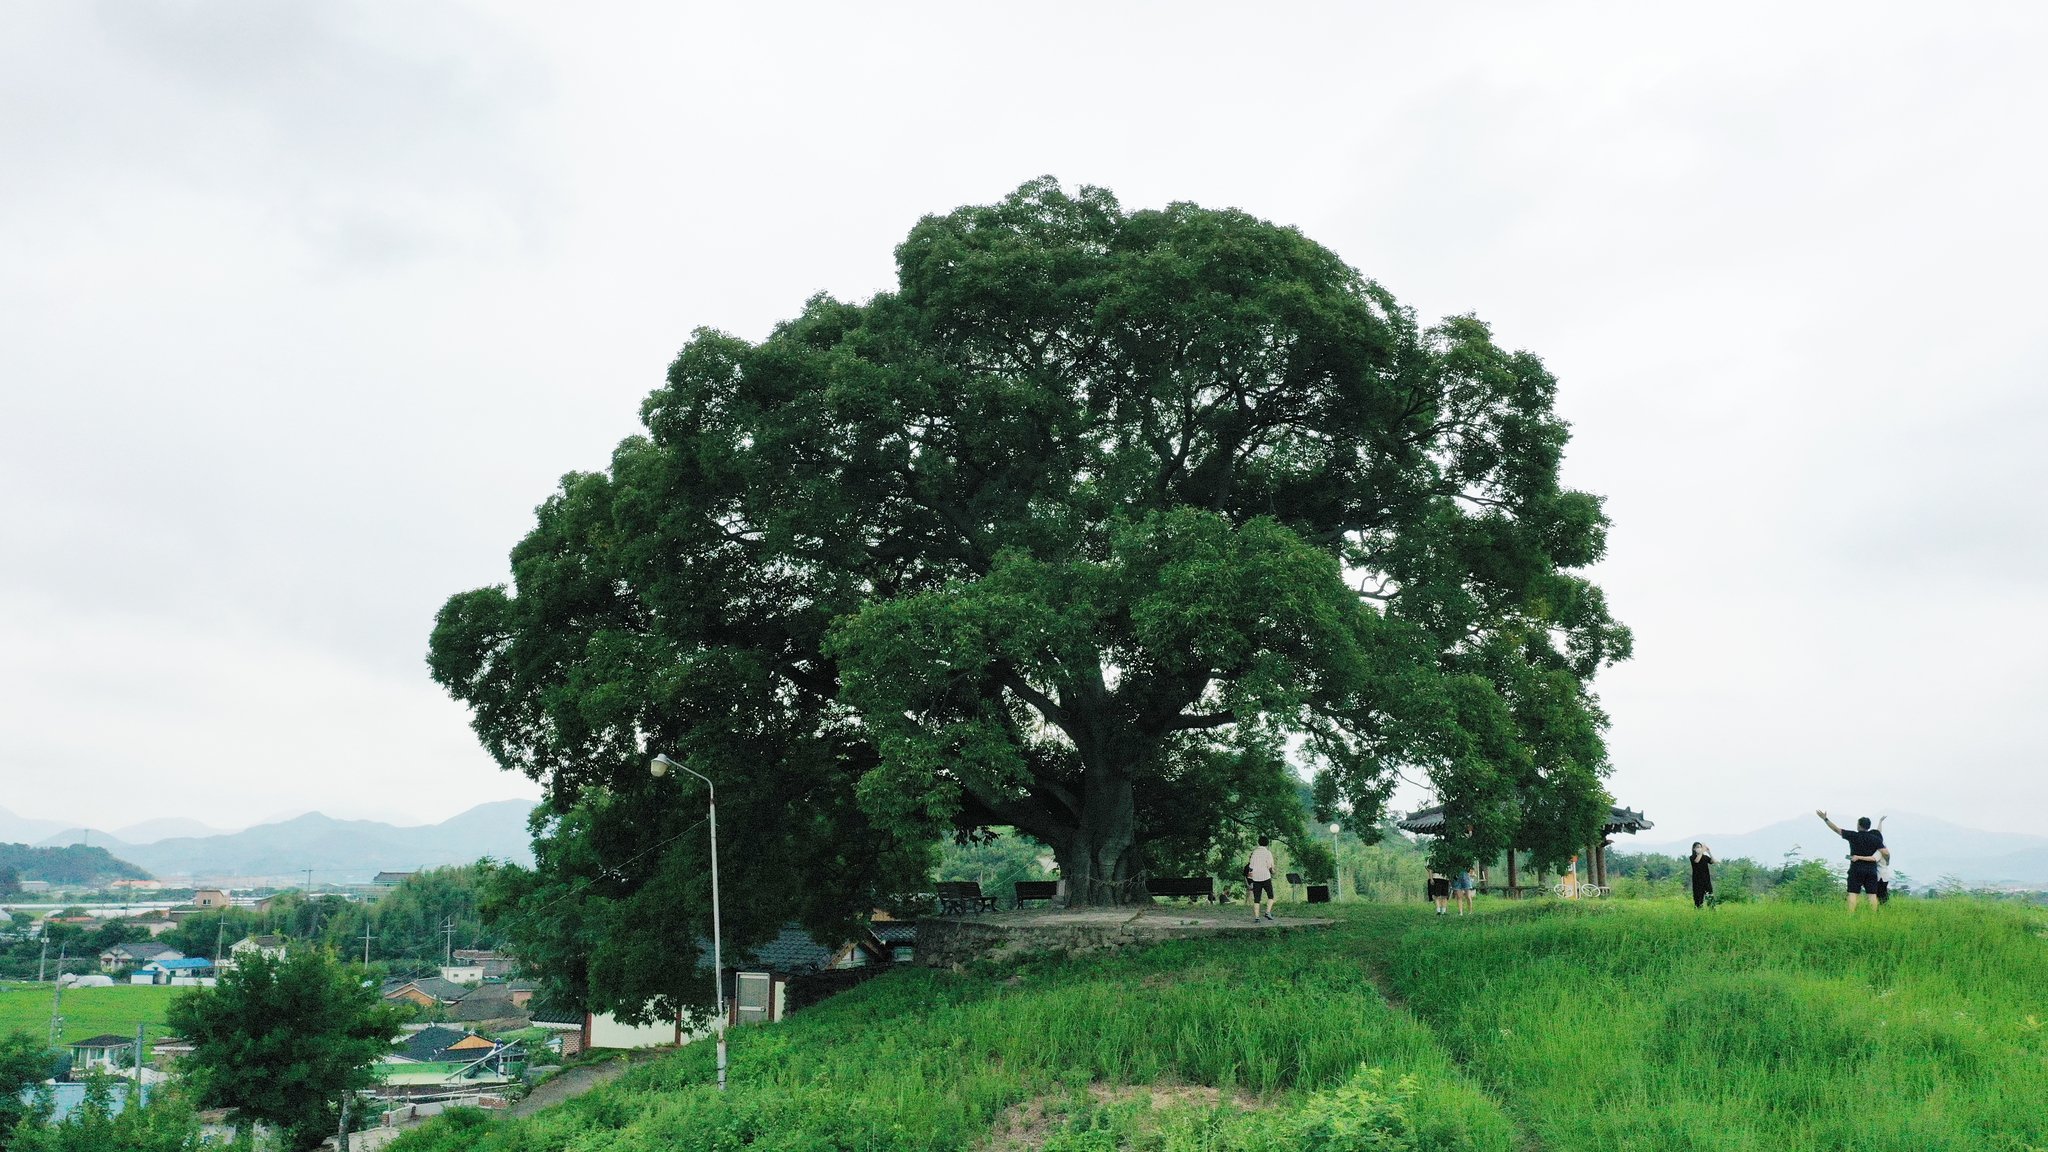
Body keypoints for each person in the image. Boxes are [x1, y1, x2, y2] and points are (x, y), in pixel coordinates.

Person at [1816, 810, 1886, 912]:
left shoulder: (1853, 836)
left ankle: (1850, 915)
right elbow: (1884, 851)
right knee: (1872, 895)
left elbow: (1836, 830)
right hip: (1871, 870)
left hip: (1856, 869)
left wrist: (1825, 819)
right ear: (1868, 826)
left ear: (1859, 825)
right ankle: (1873, 916)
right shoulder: (1875, 839)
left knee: (1853, 893)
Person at [1246, 836, 1277, 922]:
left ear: (1259, 842)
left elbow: (1251, 866)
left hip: (1256, 878)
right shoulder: (1268, 853)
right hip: (1266, 877)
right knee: (1271, 896)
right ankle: (1267, 912)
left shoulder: (1254, 852)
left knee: (1257, 898)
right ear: (1267, 843)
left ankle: (1257, 917)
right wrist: (1273, 871)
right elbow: (1270, 866)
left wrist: (1250, 877)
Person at [1690, 842, 1715, 908]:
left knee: (1710, 896)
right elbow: (1697, 861)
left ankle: (1712, 911)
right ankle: (1699, 911)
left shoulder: (1705, 857)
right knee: (1698, 898)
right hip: (1697, 881)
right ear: (1694, 849)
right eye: (1697, 847)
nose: (1699, 848)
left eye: (1700, 847)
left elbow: (1713, 861)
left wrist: (1709, 852)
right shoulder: (1692, 857)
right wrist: (1702, 851)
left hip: (1706, 880)